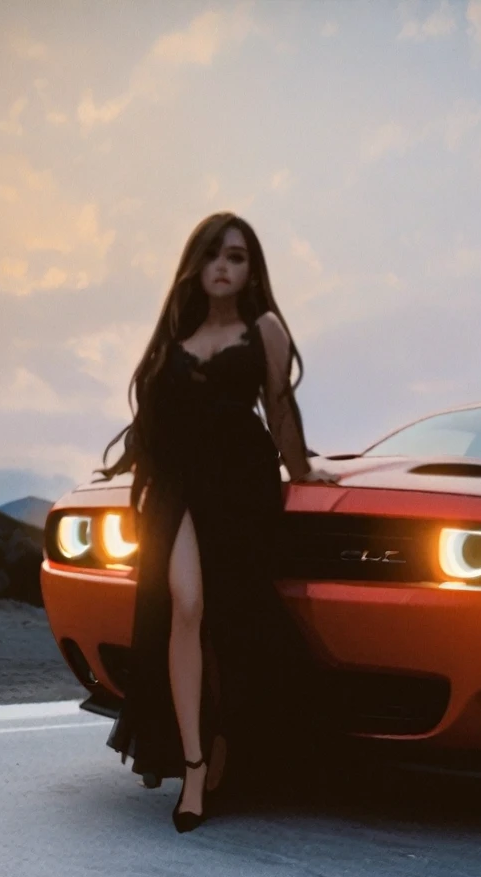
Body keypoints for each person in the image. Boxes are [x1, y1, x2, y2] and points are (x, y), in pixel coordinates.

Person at [97, 211, 338, 832]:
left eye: (236, 257)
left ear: (250, 270)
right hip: (177, 487)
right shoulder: (177, 336)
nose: (223, 267)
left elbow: (279, 407)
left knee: (226, 617)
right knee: (184, 603)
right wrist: (131, 469)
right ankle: (195, 764)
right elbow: (155, 418)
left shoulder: (265, 330)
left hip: (239, 487)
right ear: (196, 266)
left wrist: (303, 470)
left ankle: (220, 744)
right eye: (213, 256)